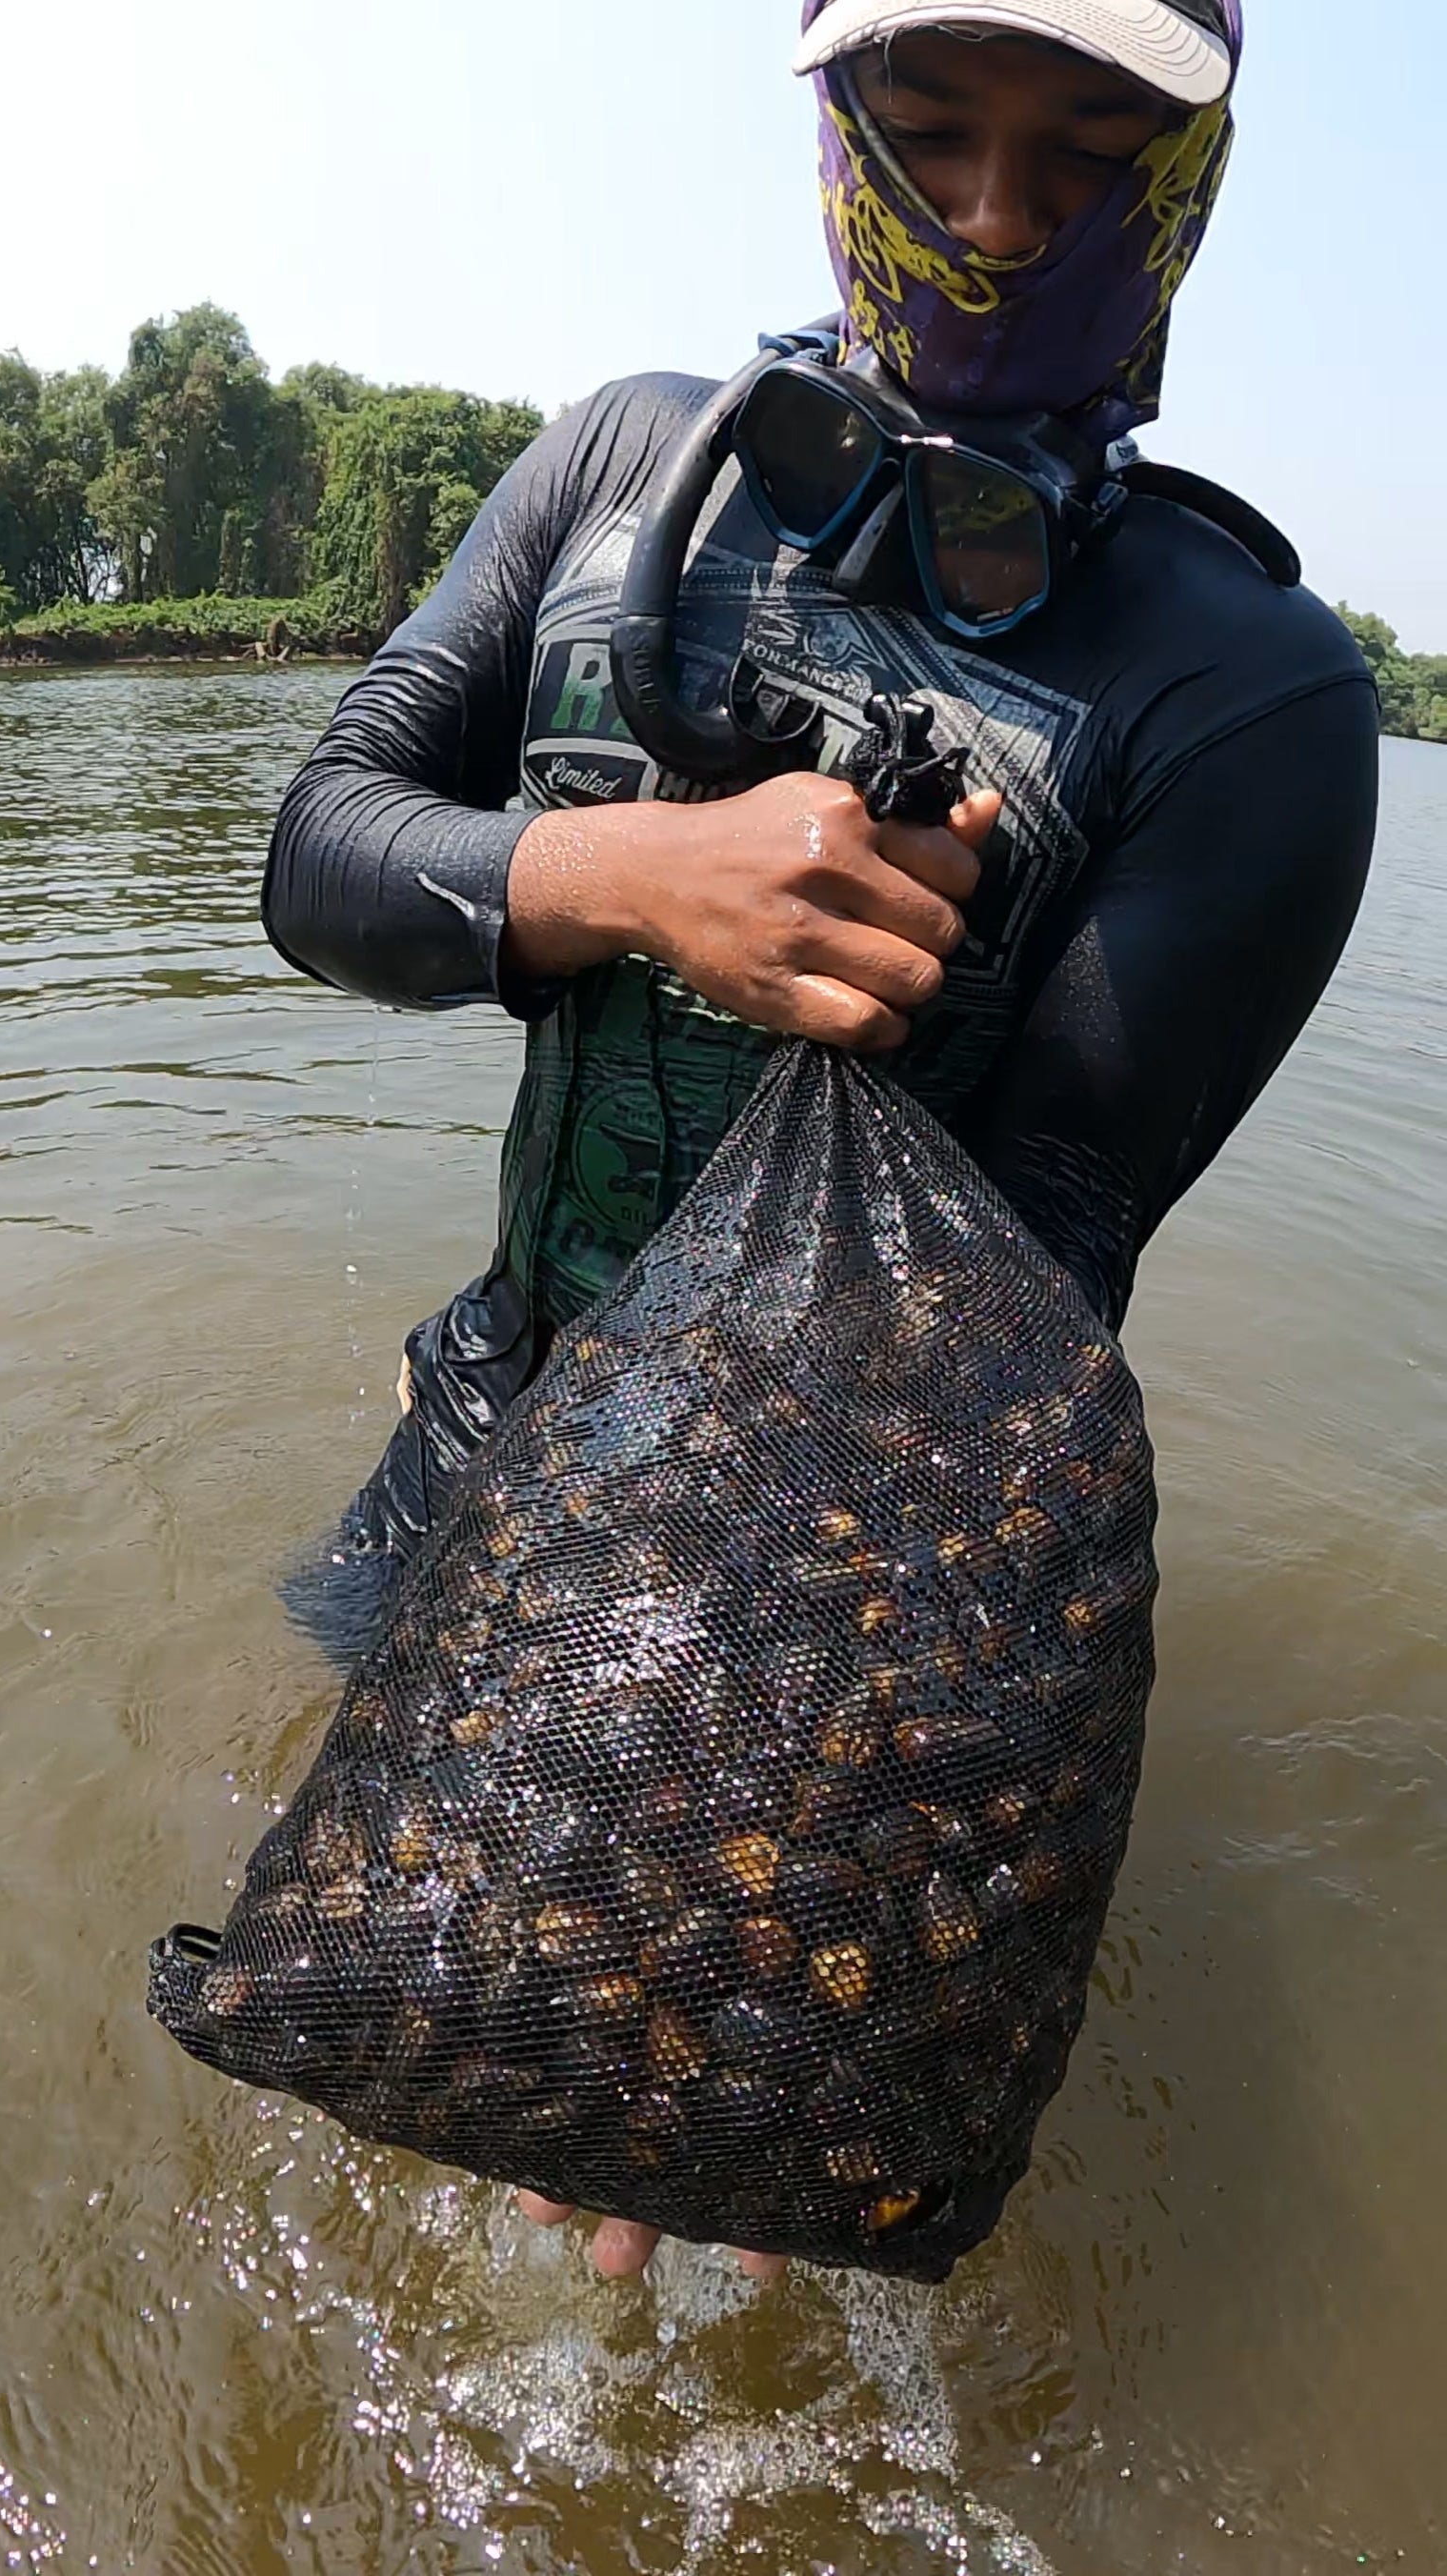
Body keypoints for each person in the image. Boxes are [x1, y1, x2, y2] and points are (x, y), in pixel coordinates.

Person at [262, 0, 1378, 2288]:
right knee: (343, 2023)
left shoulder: (1244, 683)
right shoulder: (609, 466)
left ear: (1197, 177)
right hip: (470, 1427)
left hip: (824, 1592)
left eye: (1084, 153)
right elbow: (318, 854)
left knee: (709, 2215)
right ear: (824, 122)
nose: (990, 218)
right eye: (930, 124)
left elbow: (1031, 1268)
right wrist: (621, 880)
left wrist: (736, 1811)